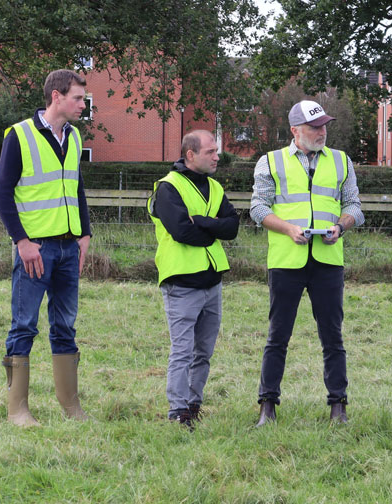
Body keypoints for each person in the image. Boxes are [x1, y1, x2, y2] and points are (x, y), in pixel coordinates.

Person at [250, 100, 364, 426]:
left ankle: (338, 407)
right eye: (314, 127)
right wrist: (287, 229)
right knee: (278, 336)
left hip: (328, 260)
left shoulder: (342, 161)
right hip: (286, 260)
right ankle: (267, 406)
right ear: (295, 131)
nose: (322, 132)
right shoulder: (269, 162)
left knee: (333, 337)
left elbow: (354, 206)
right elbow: (258, 208)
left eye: (324, 125)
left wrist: (341, 226)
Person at [0, 69, 92, 427]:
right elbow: (1, 195)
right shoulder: (19, 136)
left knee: (65, 327)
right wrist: (22, 242)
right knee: (24, 326)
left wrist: (85, 235)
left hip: (69, 249)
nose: (84, 104)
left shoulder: (75, 137)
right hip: (35, 251)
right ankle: (17, 409)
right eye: (79, 98)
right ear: (57, 97)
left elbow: (75, 188)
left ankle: (71, 406)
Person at [148, 130, 239, 428]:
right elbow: (181, 232)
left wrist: (202, 222)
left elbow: (233, 228)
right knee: (183, 351)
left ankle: (193, 404)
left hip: (212, 282)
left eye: (217, 151)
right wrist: (213, 230)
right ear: (190, 155)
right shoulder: (167, 188)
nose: (217, 156)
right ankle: (178, 410)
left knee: (204, 352)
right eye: (211, 151)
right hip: (182, 282)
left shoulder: (214, 187)